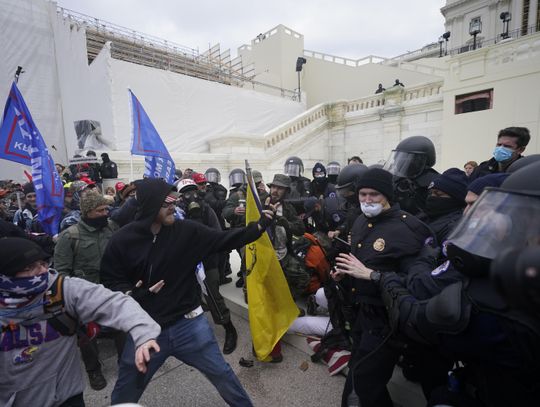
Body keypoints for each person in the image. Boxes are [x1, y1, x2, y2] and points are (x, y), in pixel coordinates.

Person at [362, 162, 540, 406]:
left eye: (477, 205)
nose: (469, 213)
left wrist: (384, 277)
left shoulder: (493, 292)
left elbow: (419, 316)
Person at [99, 177, 272, 405]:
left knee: (223, 375)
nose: (174, 205)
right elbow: (110, 279)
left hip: (189, 325)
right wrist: (133, 295)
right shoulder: (122, 240)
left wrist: (258, 227)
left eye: (174, 200)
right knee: (126, 390)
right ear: (151, 205)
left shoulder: (187, 231)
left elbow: (223, 239)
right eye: (167, 202)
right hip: (145, 330)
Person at [0, 237, 160, 407]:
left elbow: (115, 303)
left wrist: (144, 334)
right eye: (29, 268)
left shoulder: (61, 289)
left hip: (66, 399)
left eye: (43, 263)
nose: (42, 271)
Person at [333, 168, 432, 407]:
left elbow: (418, 284)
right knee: (367, 380)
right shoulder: (359, 220)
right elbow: (359, 262)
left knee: (357, 393)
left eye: (374, 195)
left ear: (387, 195)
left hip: (386, 323)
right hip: (360, 315)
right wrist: (344, 274)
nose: (367, 200)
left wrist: (372, 275)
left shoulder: (410, 229)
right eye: (362, 194)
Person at [54, 191, 121, 390]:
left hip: (111, 289)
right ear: (87, 212)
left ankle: (126, 364)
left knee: (122, 327)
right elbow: (61, 271)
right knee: (87, 335)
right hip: (84, 294)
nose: (105, 213)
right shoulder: (70, 236)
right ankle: (93, 370)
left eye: (106, 209)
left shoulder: (111, 229)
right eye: (100, 210)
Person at [176, 179, 238, 354]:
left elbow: (217, 235)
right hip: (187, 262)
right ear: (181, 197)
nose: (191, 196)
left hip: (207, 261)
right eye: (186, 193)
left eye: (193, 191)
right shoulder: (178, 213)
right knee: (189, 294)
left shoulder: (206, 210)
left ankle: (229, 328)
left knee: (213, 294)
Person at [264, 174, 308, 300]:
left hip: (283, 254)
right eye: (273, 187)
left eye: (280, 188)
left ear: (286, 191)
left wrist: (286, 223)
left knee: (303, 278)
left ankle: (287, 304)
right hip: (265, 255)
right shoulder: (260, 205)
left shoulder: (288, 208)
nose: (275, 191)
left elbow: (301, 229)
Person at [383, 135, 439, 218]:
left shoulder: (435, 182)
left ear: (421, 160)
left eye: (407, 158)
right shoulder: (398, 180)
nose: (400, 163)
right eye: (399, 157)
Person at [424, 168, 468, 244]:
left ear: (456, 198)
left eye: (438, 194)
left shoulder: (455, 227)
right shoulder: (428, 216)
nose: (432, 197)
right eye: (430, 193)